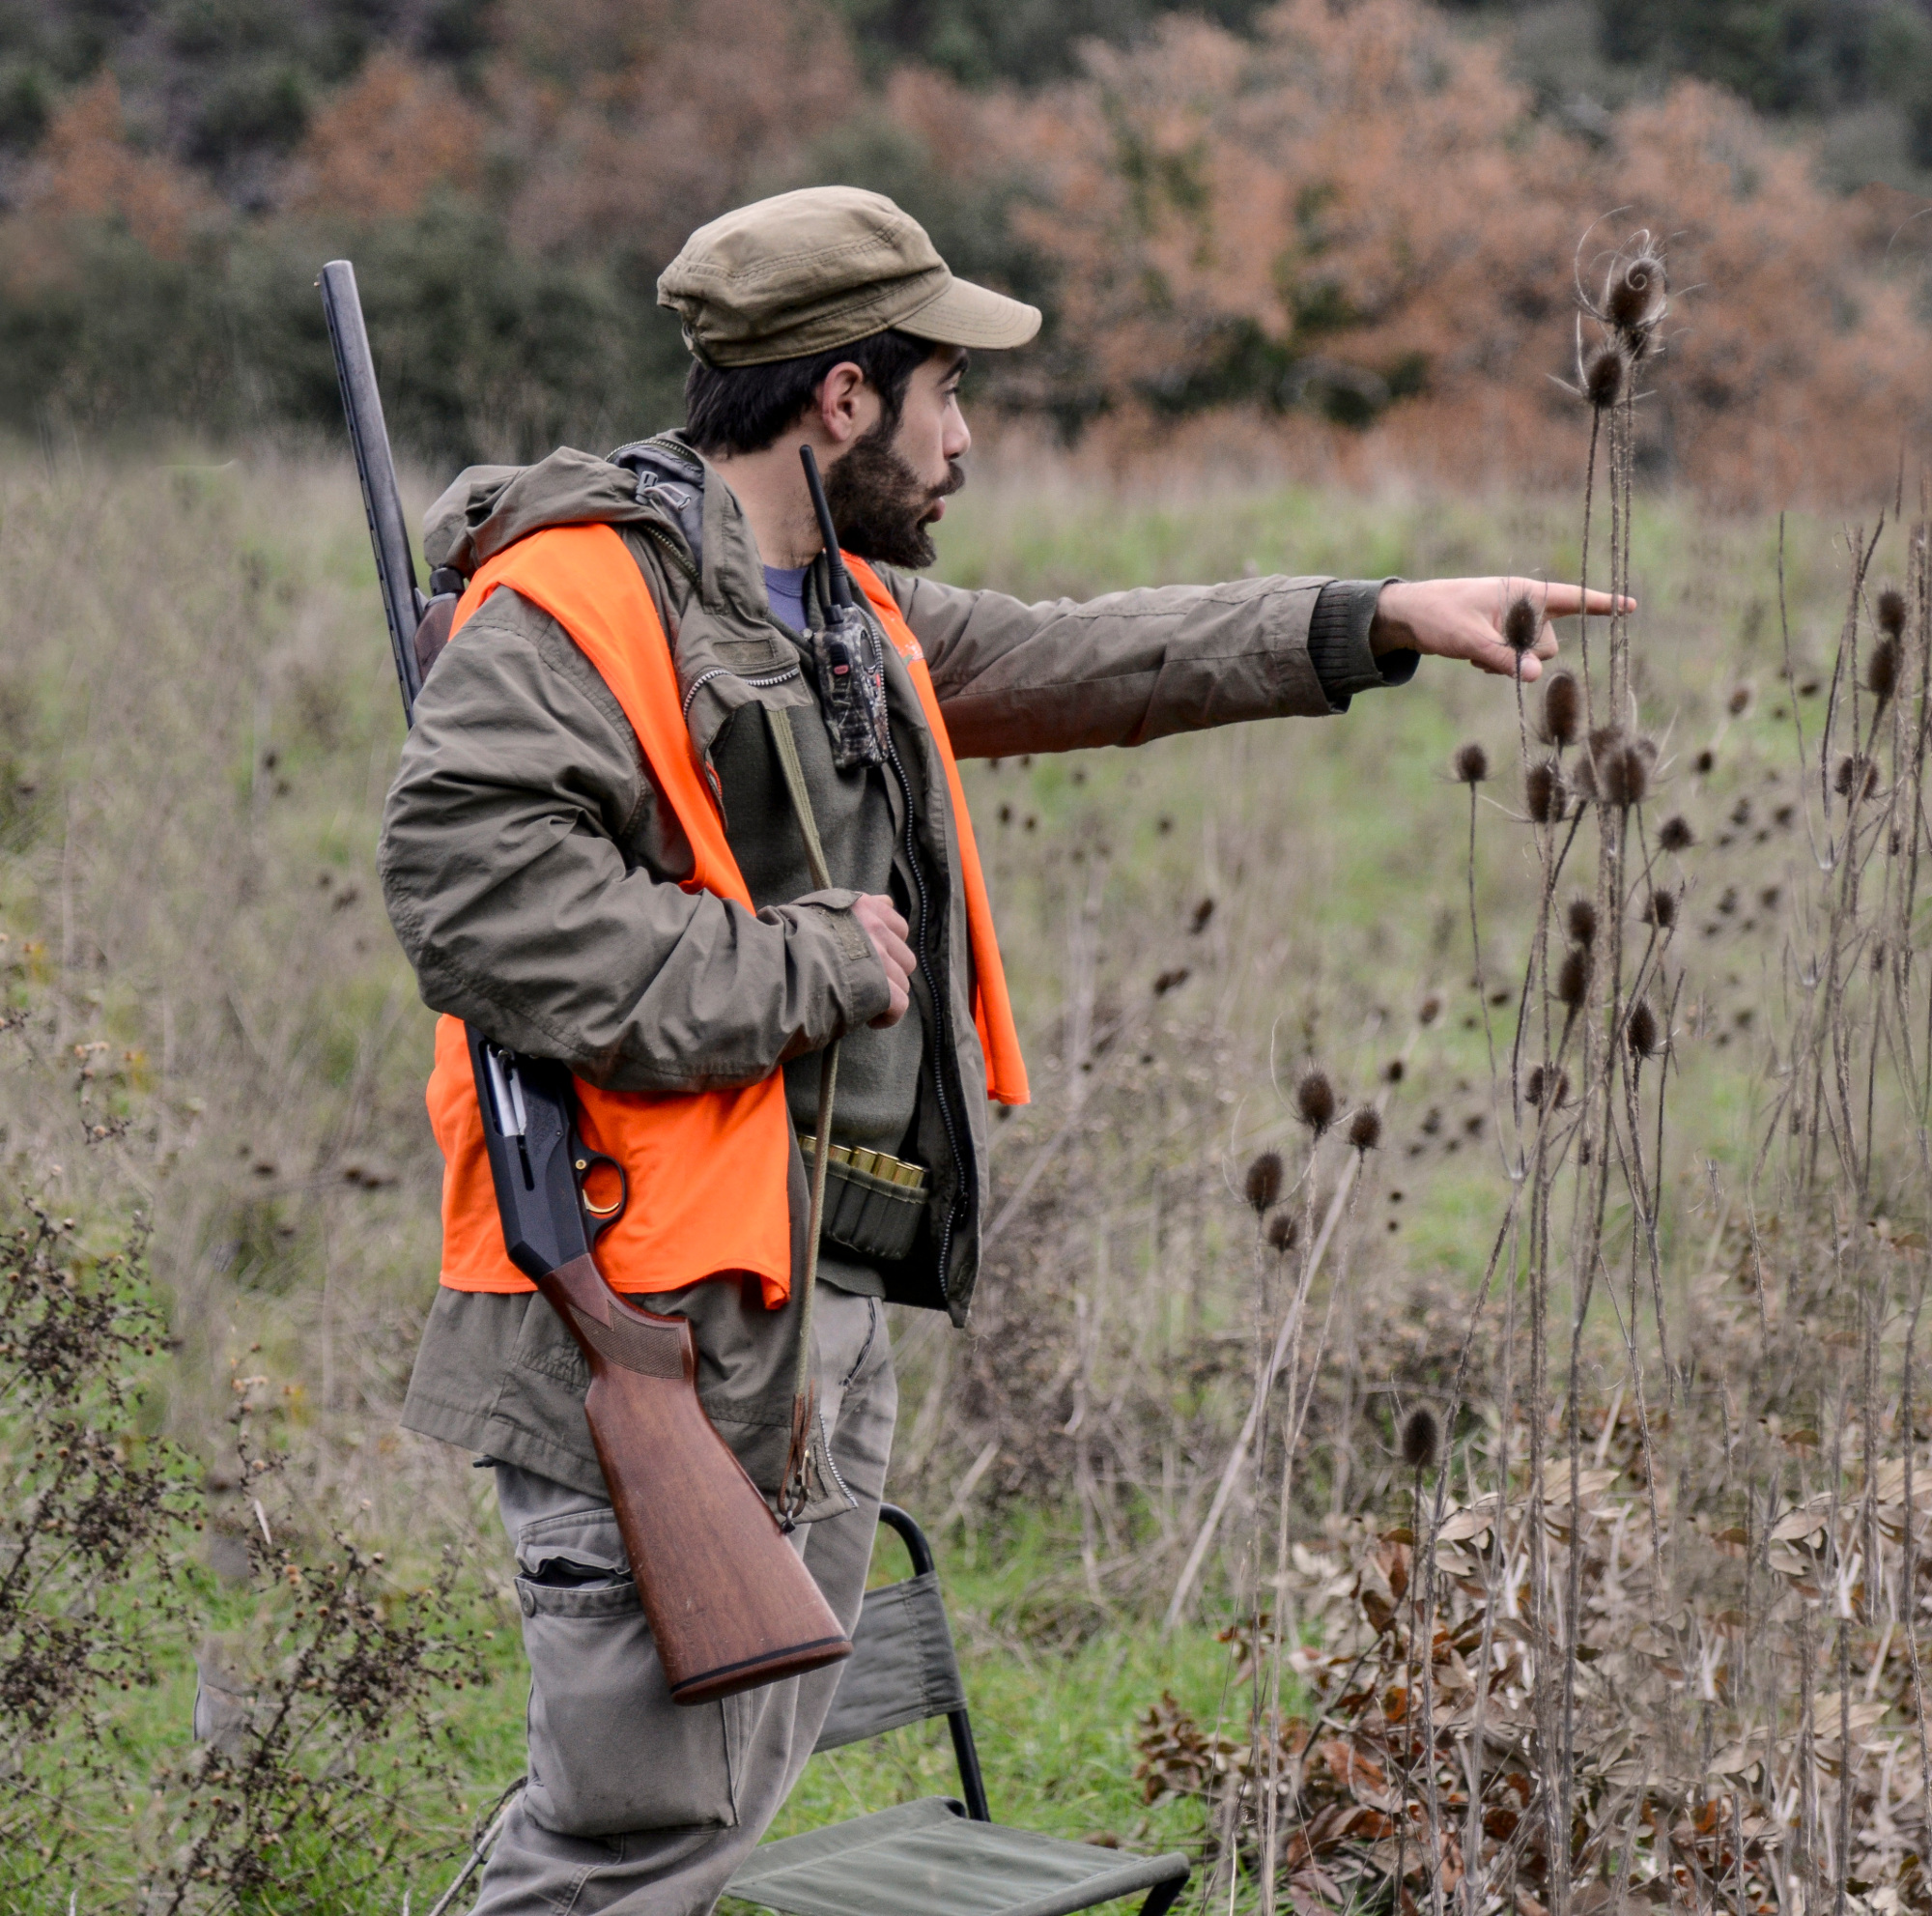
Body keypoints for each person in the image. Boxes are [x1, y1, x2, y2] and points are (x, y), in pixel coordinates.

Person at [378, 185, 1623, 1914]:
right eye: (945, 394)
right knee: (624, 1843)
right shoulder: (577, 604)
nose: (964, 437)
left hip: (812, 1319)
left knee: (694, 1822)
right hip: (653, 1319)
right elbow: (471, 902)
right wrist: (801, 962)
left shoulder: (836, 607)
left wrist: (1383, 614)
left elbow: (1075, 655)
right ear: (841, 399)